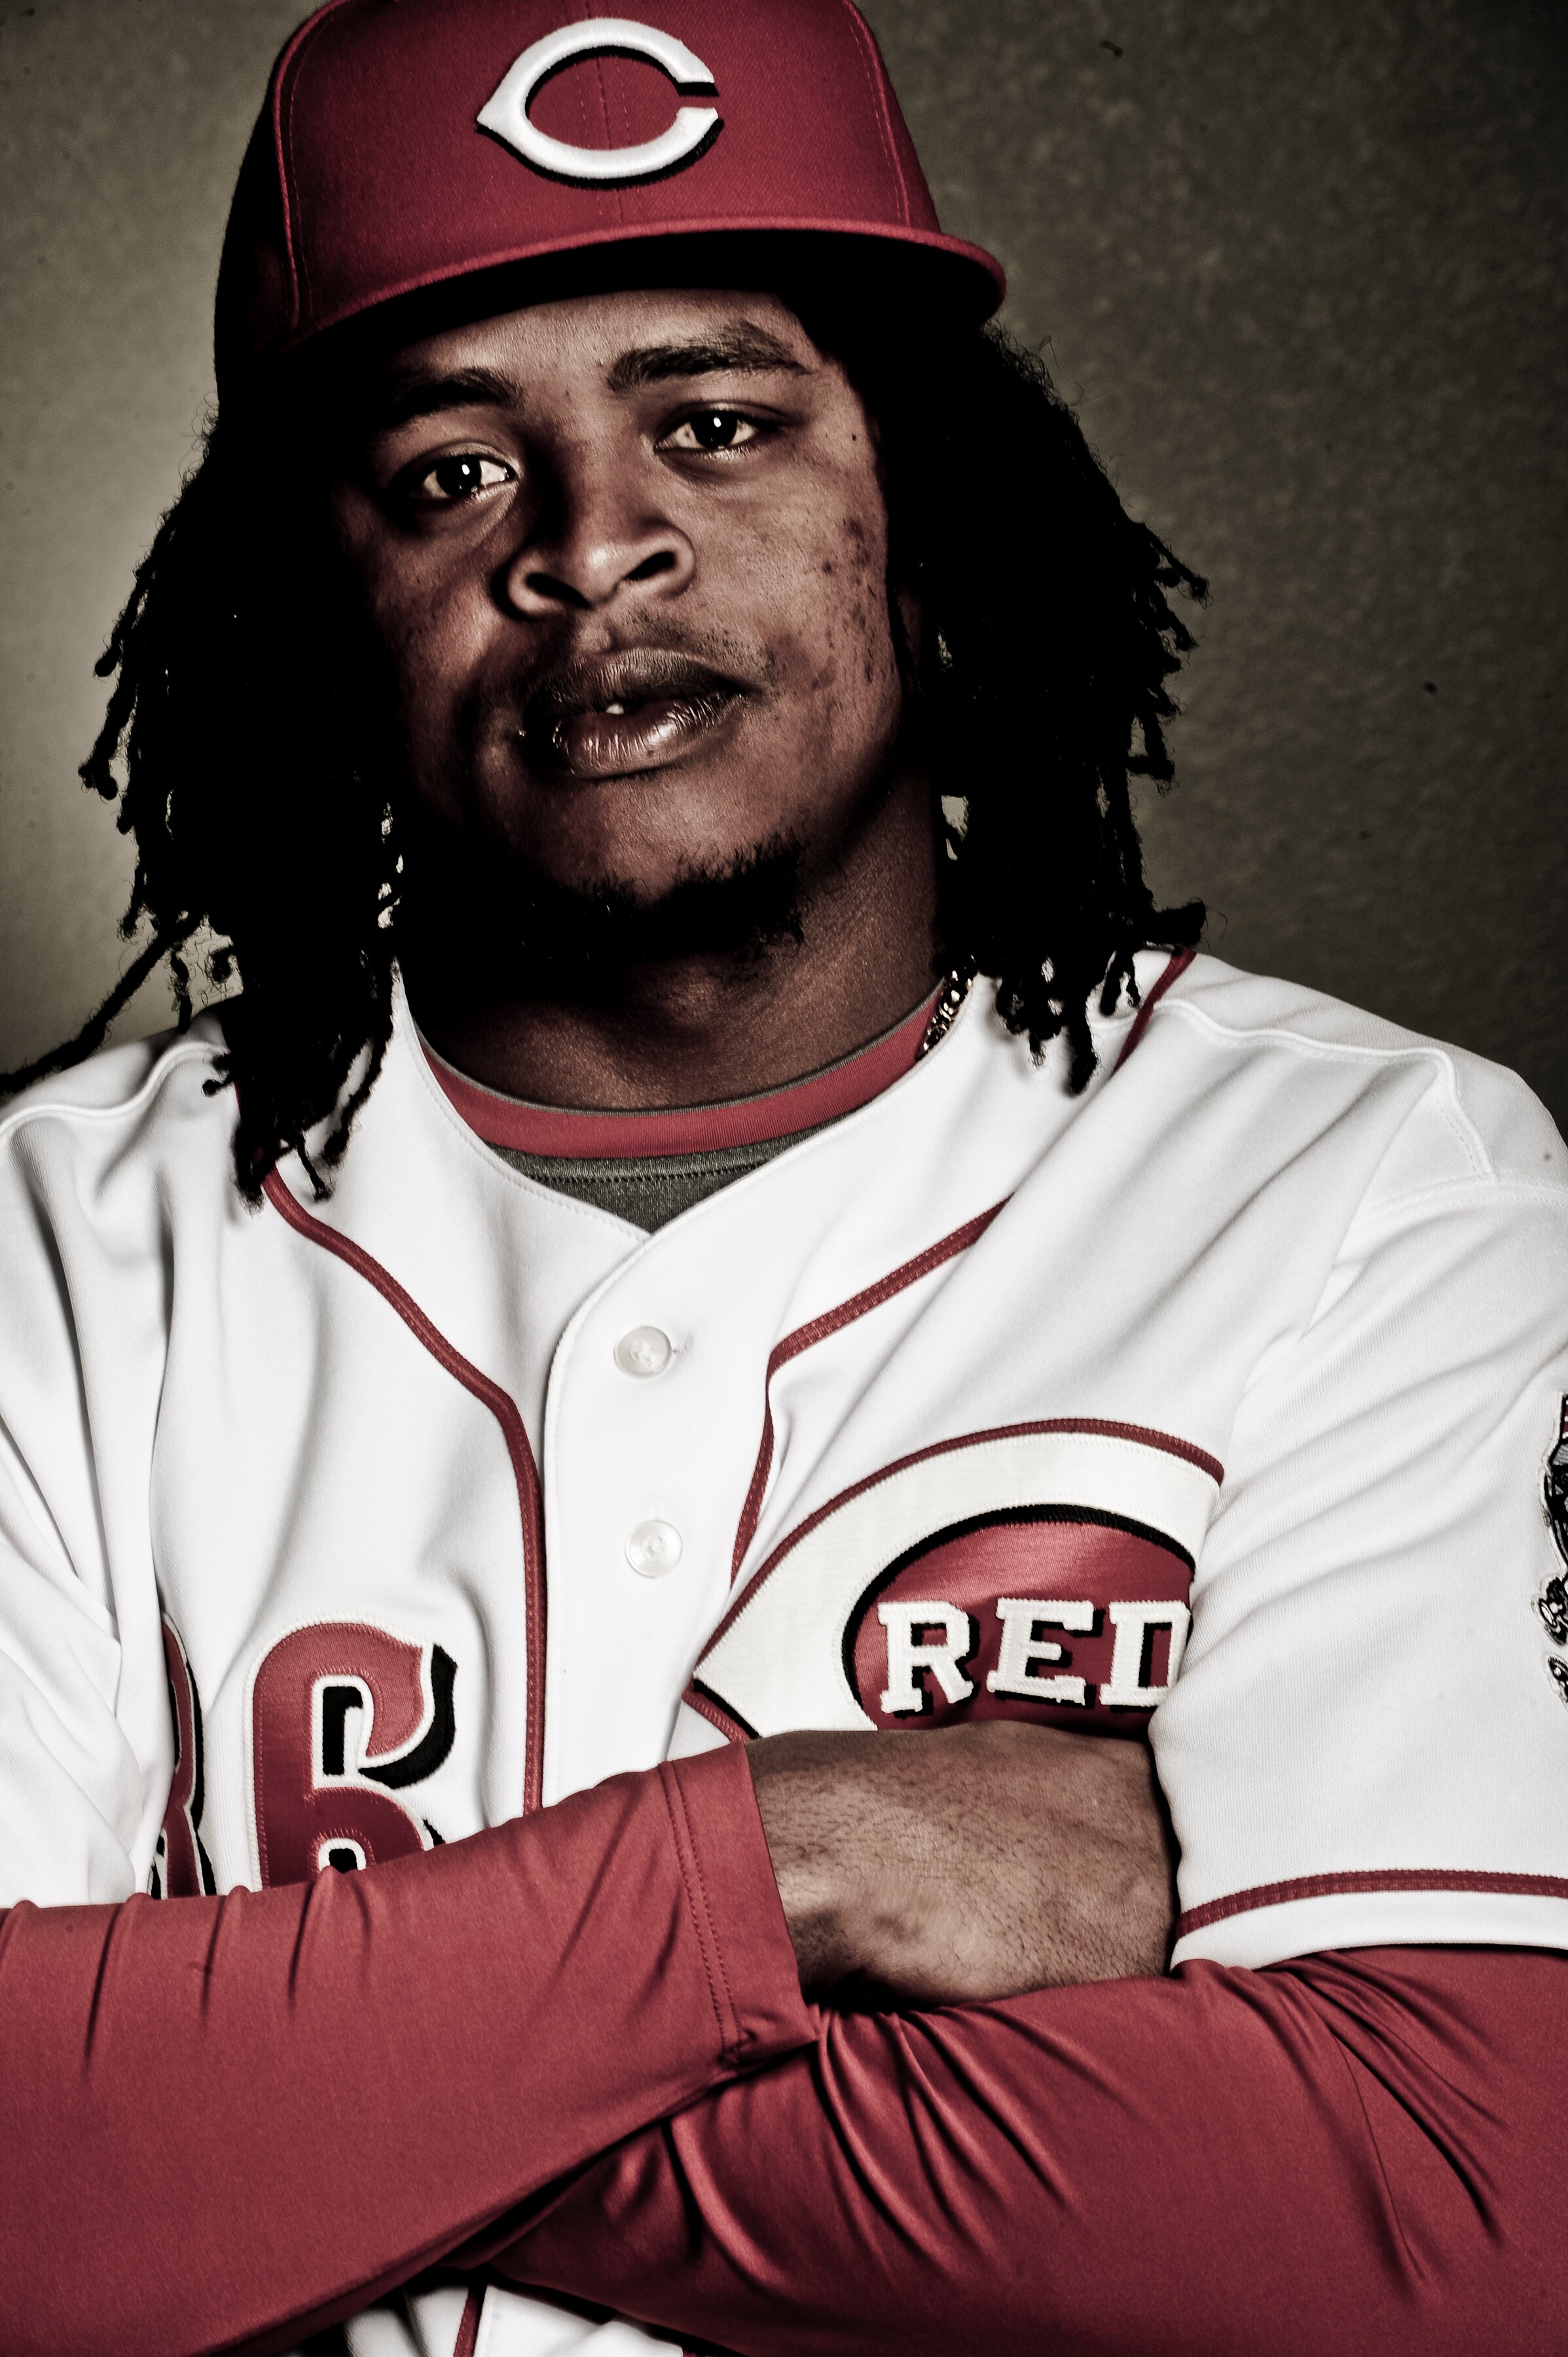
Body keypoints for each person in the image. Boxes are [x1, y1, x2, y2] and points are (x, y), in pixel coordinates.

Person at [0, 2, 1564, 2352]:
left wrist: (249, 2118)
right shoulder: (56, 1241)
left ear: (929, 535)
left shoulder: (1368, 1184)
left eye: (714, 425)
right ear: (311, 629)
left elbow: (1453, 2218)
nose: (594, 548)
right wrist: (779, 1867)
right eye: (445, 473)